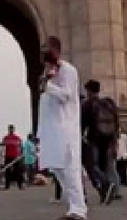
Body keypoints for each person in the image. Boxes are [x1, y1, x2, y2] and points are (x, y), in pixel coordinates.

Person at [37, 35, 86, 220]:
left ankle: (78, 209)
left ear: (56, 50)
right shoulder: (48, 71)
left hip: (65, 127)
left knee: (69, 167)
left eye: (46, 48)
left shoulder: (68, 70)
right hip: (50, 128)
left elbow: (66, 95)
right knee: (57, 167)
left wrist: (48, 86)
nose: (43, 51)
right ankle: (74, 204)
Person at [79, 81, 118, 203]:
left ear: (89, 90)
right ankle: (104, 193)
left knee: (92, 165)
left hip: (93, 139)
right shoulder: (108, 103)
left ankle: (106, 184)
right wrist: (114, 138)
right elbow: (116, 122)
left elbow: (81, 124)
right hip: (107, 138)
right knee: (104, 165)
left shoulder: (87, 105)